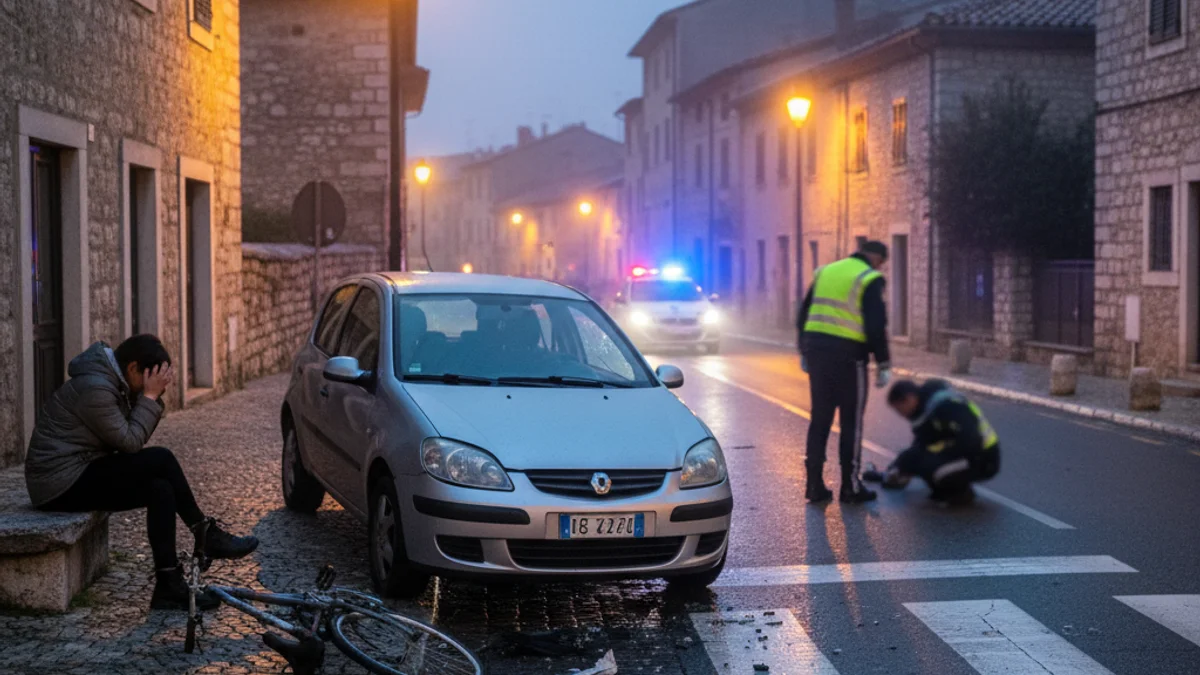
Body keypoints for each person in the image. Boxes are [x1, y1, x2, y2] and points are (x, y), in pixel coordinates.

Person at [24, 335, 259, 611]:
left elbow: (127, 443)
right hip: (57, 482)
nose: (155, 388)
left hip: (80, 469)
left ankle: (168, 585)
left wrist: (147, 397)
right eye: (151, 379)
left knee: (161, 489)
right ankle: (205, 534)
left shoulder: (113, 383)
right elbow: (130, 442)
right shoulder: (96, 389)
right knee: (161, 458)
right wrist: (148, 397)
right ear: (134, 368)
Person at [797, 240, 892, 504]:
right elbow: (876, 325)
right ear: (876, 258)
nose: (881, 267)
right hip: (850, 358)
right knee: (851, 423)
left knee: (820, 420)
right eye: (882, 262)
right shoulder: (869, 278)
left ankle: (814, 485)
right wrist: (883, 363)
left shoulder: (825, 271)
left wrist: (803, 350)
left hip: (817, 353)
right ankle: (850, 487)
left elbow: (803, 314)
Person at [865, 378, 1001, 505]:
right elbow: (918, 447)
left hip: (983, 457)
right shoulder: (924, 410)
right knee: (919, 459)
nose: (901, 415)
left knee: (932, 467)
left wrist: (938, 456)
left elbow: (970, 439)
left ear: (909, 399)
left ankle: (961, 493)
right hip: (968, 453)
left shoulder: (945, 406)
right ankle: (945, 489)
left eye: (900, 409)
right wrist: (890, 472)